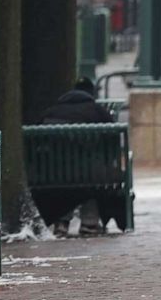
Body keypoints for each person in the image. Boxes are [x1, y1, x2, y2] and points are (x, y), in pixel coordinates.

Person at [35, 77, 117, 236]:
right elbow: (112, 139)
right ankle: (89, 222)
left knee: (67, 181)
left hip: (53, 172)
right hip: (90, 174)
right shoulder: (98, 112)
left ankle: (61, 221)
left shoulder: (50, 112)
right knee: (90, 179)